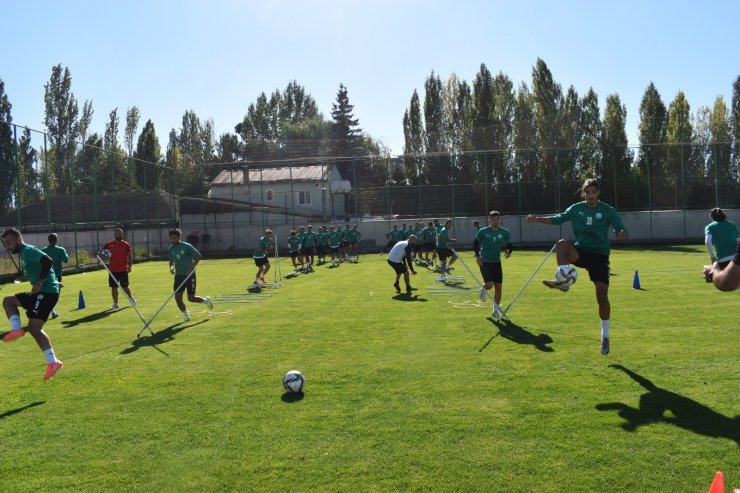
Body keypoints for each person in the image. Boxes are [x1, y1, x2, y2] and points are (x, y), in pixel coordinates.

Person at [526, 178, 628, 355]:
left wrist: (621, 234)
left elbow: (621, 229)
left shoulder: (607, 210)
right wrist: (536, 219)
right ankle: (564, 280)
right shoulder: (576, 209)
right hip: (581, 252)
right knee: (561, 244)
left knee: (602, 296)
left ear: (598, 193)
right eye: (587, 192)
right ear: (583, 193)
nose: (590, 195)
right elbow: (558, 219)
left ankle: (605, 336)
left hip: (600, 256)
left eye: (593, 192)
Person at [1, 228, 64, 380]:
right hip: (44, 292)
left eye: (9, 242)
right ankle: (52, 361)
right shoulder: (25, 252)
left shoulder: (27, 250)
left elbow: (48, 260)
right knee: (8, 301)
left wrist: (41, 282)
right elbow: (45, 263)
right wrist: (54, 281)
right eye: (5, 244)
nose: (8, 247)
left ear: (19, 239)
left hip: (45, 293)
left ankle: (53, 361)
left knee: (34, 329)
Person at [168, 228, 212, 322]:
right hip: (179, 276)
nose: (173, 240)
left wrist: (191, 267)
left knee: (191, 298)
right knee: (177, 298)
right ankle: (186, 316)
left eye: (175, 238)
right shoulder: (170, 249)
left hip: (189, 276)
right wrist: (171, 268)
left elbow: (198, 256)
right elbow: (171, 261)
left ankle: (206, 301)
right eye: (171, 238)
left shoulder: (187, 246)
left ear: (179, 237)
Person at [475, 211, 513, 319]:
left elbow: (510, 244)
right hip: (485, 261)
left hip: (497, 262)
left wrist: (509, 251)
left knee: (499, 287)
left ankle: (495, 310)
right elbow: (475, 243)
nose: (495, 221)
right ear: (489, 220)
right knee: (490, 284)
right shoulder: (483, 231)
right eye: (493, 219)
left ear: (500, 220)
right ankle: (483, 288)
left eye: (497, 219)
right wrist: (477, 256)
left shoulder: (504, 232)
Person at [101, 228, 135, 310]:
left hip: (123, 269)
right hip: (112, 270)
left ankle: (131, 298)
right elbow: (102, 253)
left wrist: (130, 267)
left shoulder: (126, 244)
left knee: (125, 287)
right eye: (117, 234)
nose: (119, 235)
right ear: (114, 235)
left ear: (122, 235)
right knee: (114, 287)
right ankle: (115, 303)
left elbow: (130, 256)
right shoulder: (108, 244)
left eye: (120, 234)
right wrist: (102, 255)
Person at [42, 233, 69, 319]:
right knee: (54, 295)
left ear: (48, 240)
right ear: (56, 240)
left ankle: (50, 310)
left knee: (46, 293)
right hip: (56, 275)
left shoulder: (43, 250)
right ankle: (52, 311)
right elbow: (66, 260)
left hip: (45, 275)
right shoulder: (61, 250)